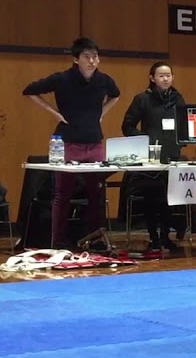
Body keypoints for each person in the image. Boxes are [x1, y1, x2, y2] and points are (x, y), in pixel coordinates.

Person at [22, 38, 122, 249]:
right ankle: (58, 239)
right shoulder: (62, 79)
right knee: (63, 193)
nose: (92, 61)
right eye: (87, 56)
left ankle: (95, 238)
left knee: (96, 192)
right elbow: (29, 90)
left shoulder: (103, 80)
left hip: (95, 142)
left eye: (95, 56)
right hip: (68, 143)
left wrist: (100, 114)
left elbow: (116, 95)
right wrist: (55, 113)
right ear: (76, 59)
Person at [121, 62, 187, 251]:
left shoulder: (178, 99)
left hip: (172, 156)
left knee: (170, 198)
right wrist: (144, 140)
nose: (166, 79)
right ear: (152, 78)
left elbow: (184, 125)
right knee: (152, 197)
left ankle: (167, 236)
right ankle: (153, 236)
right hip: (150, 158)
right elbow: (127, 126)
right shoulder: (142, 99)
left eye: (169, 75)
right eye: (161, 76)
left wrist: (182, 140)